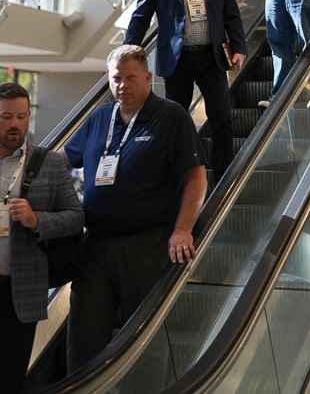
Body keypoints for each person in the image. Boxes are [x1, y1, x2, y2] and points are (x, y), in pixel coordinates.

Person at [62, 44, 207, 373]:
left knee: (144, 341)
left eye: (130, 77)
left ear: (147, 77)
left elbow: (196, 176)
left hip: (147, 246)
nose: (122, 85)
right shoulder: (100, 117)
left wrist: (183, 229)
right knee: (83, 337)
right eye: (116, 78)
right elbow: (63, 161)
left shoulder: (171, 116)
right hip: (95, 246)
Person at [124, 0, 247, 181]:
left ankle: (223, 179)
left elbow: (231, 14)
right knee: (174, 120)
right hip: (177, 60)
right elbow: (141, 17)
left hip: (211, 57)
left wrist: (239, 48)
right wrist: (126, 53)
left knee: (222, 117)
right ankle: (176, 176)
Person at [0, 82, 83, 394]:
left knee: (10, 380)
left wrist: (37, 220)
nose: (15, 124)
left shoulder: (48, 163)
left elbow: (76, 217)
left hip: (22, 292)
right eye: (7, 117)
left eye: (21, 117)